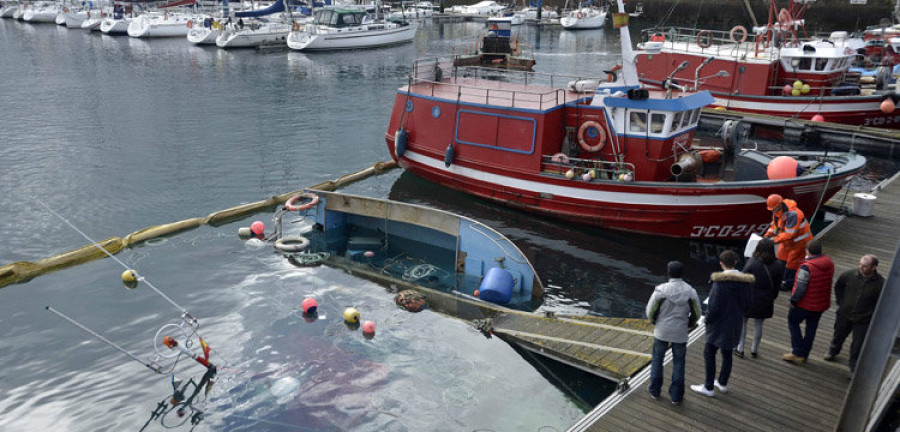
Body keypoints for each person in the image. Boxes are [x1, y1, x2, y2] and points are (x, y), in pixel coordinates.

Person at [691, 250, 753, 397]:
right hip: (735, 323)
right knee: (727, 354)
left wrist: (707, 320)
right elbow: (748, 303)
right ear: (736, 263)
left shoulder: (719, 283)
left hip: (719, 324)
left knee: (709, 353)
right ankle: (723, 383)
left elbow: (713, 307)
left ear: (721, 264)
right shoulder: (745, 282)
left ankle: (709, 387)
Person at [645, 261, 702, 405]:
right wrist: (689, 324)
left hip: (662, 331)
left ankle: (655, 391)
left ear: (668, 273)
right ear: (682, 274)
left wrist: (654, 322)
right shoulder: (691, 292)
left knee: (657, 360)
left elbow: (650, 311)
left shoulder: (660, 291)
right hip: (680, 333)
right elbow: (697, 313)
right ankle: (676, 396)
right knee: (679, 363)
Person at [824, 254, 884, 372]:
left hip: (863, 318)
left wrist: (871, 313)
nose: (861, 268)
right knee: (839, 334)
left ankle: (853, 365)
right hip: (844, 314)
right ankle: (833, 351)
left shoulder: (880, 283)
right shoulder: (849, 274)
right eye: (860, 265)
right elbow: (838, 287)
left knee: (858, 343)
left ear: (874, 267)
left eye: (865, 266)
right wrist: (841, 303)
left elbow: (882, 301)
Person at [783, 239, 834, 363]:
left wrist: (793, 301)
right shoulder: (829, 263)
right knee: (811, 328)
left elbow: (801, 287)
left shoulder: (806, 268)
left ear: (807, 251)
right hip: (820, 303)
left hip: (804, 304)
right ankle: (804, 355)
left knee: (793, 322)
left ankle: (797, 351)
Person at [736, 237, 783, 358]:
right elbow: (777, 285)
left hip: (749, 298)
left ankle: (740, 348)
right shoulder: (778, 265)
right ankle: (754, 349)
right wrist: (773, 296)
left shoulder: (752, 262)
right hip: (765, 299)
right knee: (759, 324)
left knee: (743, 322)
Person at [764, 194, 812, 292]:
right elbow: (775, 227)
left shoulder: (793, 214)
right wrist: (767, 236)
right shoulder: (777, 213)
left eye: (774, 208)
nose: (772, 210)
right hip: (786, 241)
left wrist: (773, 240)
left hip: (799, 242)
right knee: (781, 258)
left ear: (779, 205)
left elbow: (791, 234)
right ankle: (781, 279)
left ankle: (788, 283)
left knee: (792, 263)